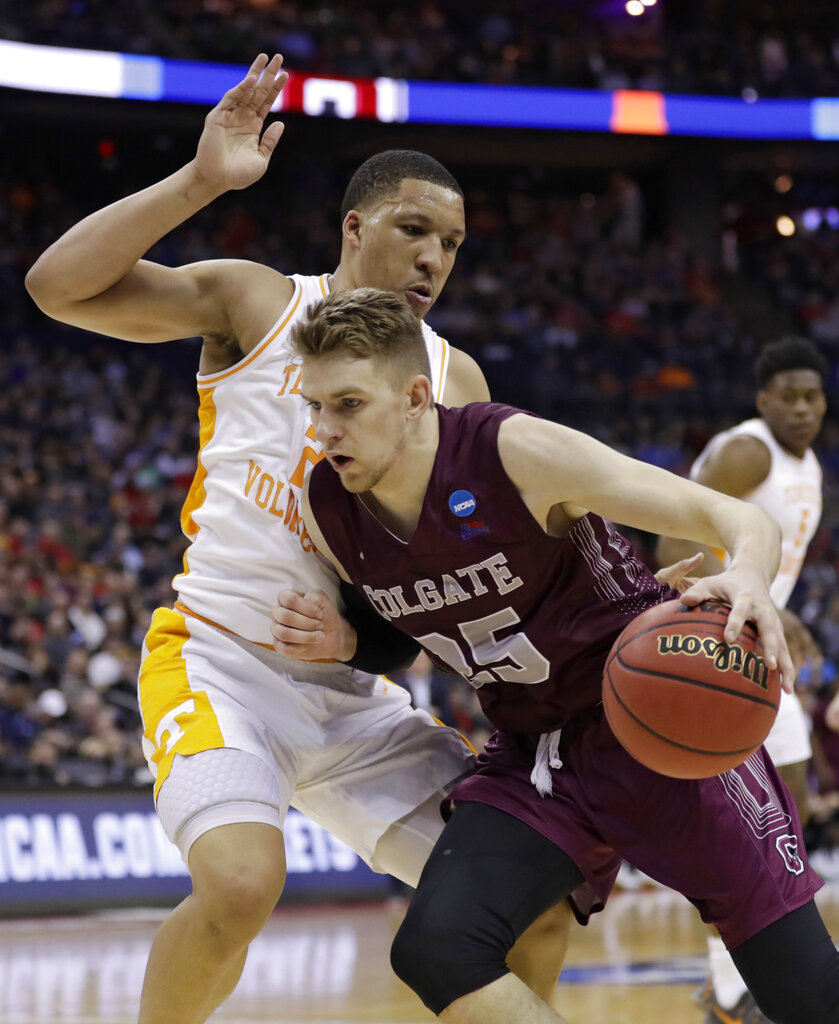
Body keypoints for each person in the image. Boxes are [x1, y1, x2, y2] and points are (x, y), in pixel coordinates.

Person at [25, 53, 569, 1024]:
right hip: (219, 666)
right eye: (412, 230)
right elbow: (56, 286)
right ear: (354, 228)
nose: (431, 261)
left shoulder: (457, 383)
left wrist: (365, 645)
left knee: (534, 898)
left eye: (449, 243)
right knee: (239, 886)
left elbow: (439, 586)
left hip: (357, 698)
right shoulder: (259, 305)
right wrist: (200, 182)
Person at [273, 286, 839, 1024]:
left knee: (808, 1000)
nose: (324, 428)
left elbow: (732, 516)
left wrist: (749, 576)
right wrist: (349, 640)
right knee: (437, 948)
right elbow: (402, 622)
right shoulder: (330, 504)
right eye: (314, 406)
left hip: (662, 721)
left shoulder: (513, 452)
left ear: (415, 397)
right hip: (538, 756)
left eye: (347, 404)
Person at [657, 336, 828, 1024]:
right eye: (786, 395)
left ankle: (728, 979)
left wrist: (782, 613)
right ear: (762, 401)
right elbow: (671, 545)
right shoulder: (748, 450)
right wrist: (755, 610)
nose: (800, 407)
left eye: (811, 395)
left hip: (756, 636)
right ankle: (729, 988)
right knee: (752, 823)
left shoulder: (808, 461)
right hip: (714, 636)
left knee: (793, 809)